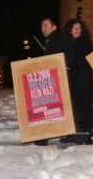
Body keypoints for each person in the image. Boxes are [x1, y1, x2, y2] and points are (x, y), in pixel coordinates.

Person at [60, 18, 93, 145]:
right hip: (71, 79)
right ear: (70, 30)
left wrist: (71, 59)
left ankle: (86, 131)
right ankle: (74, 133)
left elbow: (83, 60)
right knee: (72, 107)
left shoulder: (85, 42)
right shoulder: (66, 42)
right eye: (74, 28)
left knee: (83, 106)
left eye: (79, 27)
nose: (77, 30)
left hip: (82, 80)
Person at [34, 17, 69, 146]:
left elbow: (57, 59)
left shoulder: (55, 40)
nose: (42, 28)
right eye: (42, 26)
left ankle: (43, 137)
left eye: (45, 25)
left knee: (49, 107)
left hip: (54, 79)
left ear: (54, 27)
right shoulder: (51, 40)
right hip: (53, 78)